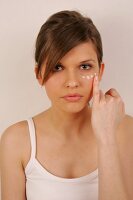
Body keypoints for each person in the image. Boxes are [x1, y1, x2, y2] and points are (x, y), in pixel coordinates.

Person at [0, 10, 133, 200]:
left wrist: (106, 137)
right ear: (39, 74)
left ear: (100, 71)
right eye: (57, 67)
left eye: (85, 66)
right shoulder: (16, 141)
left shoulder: (126, 130)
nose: (72, 82)